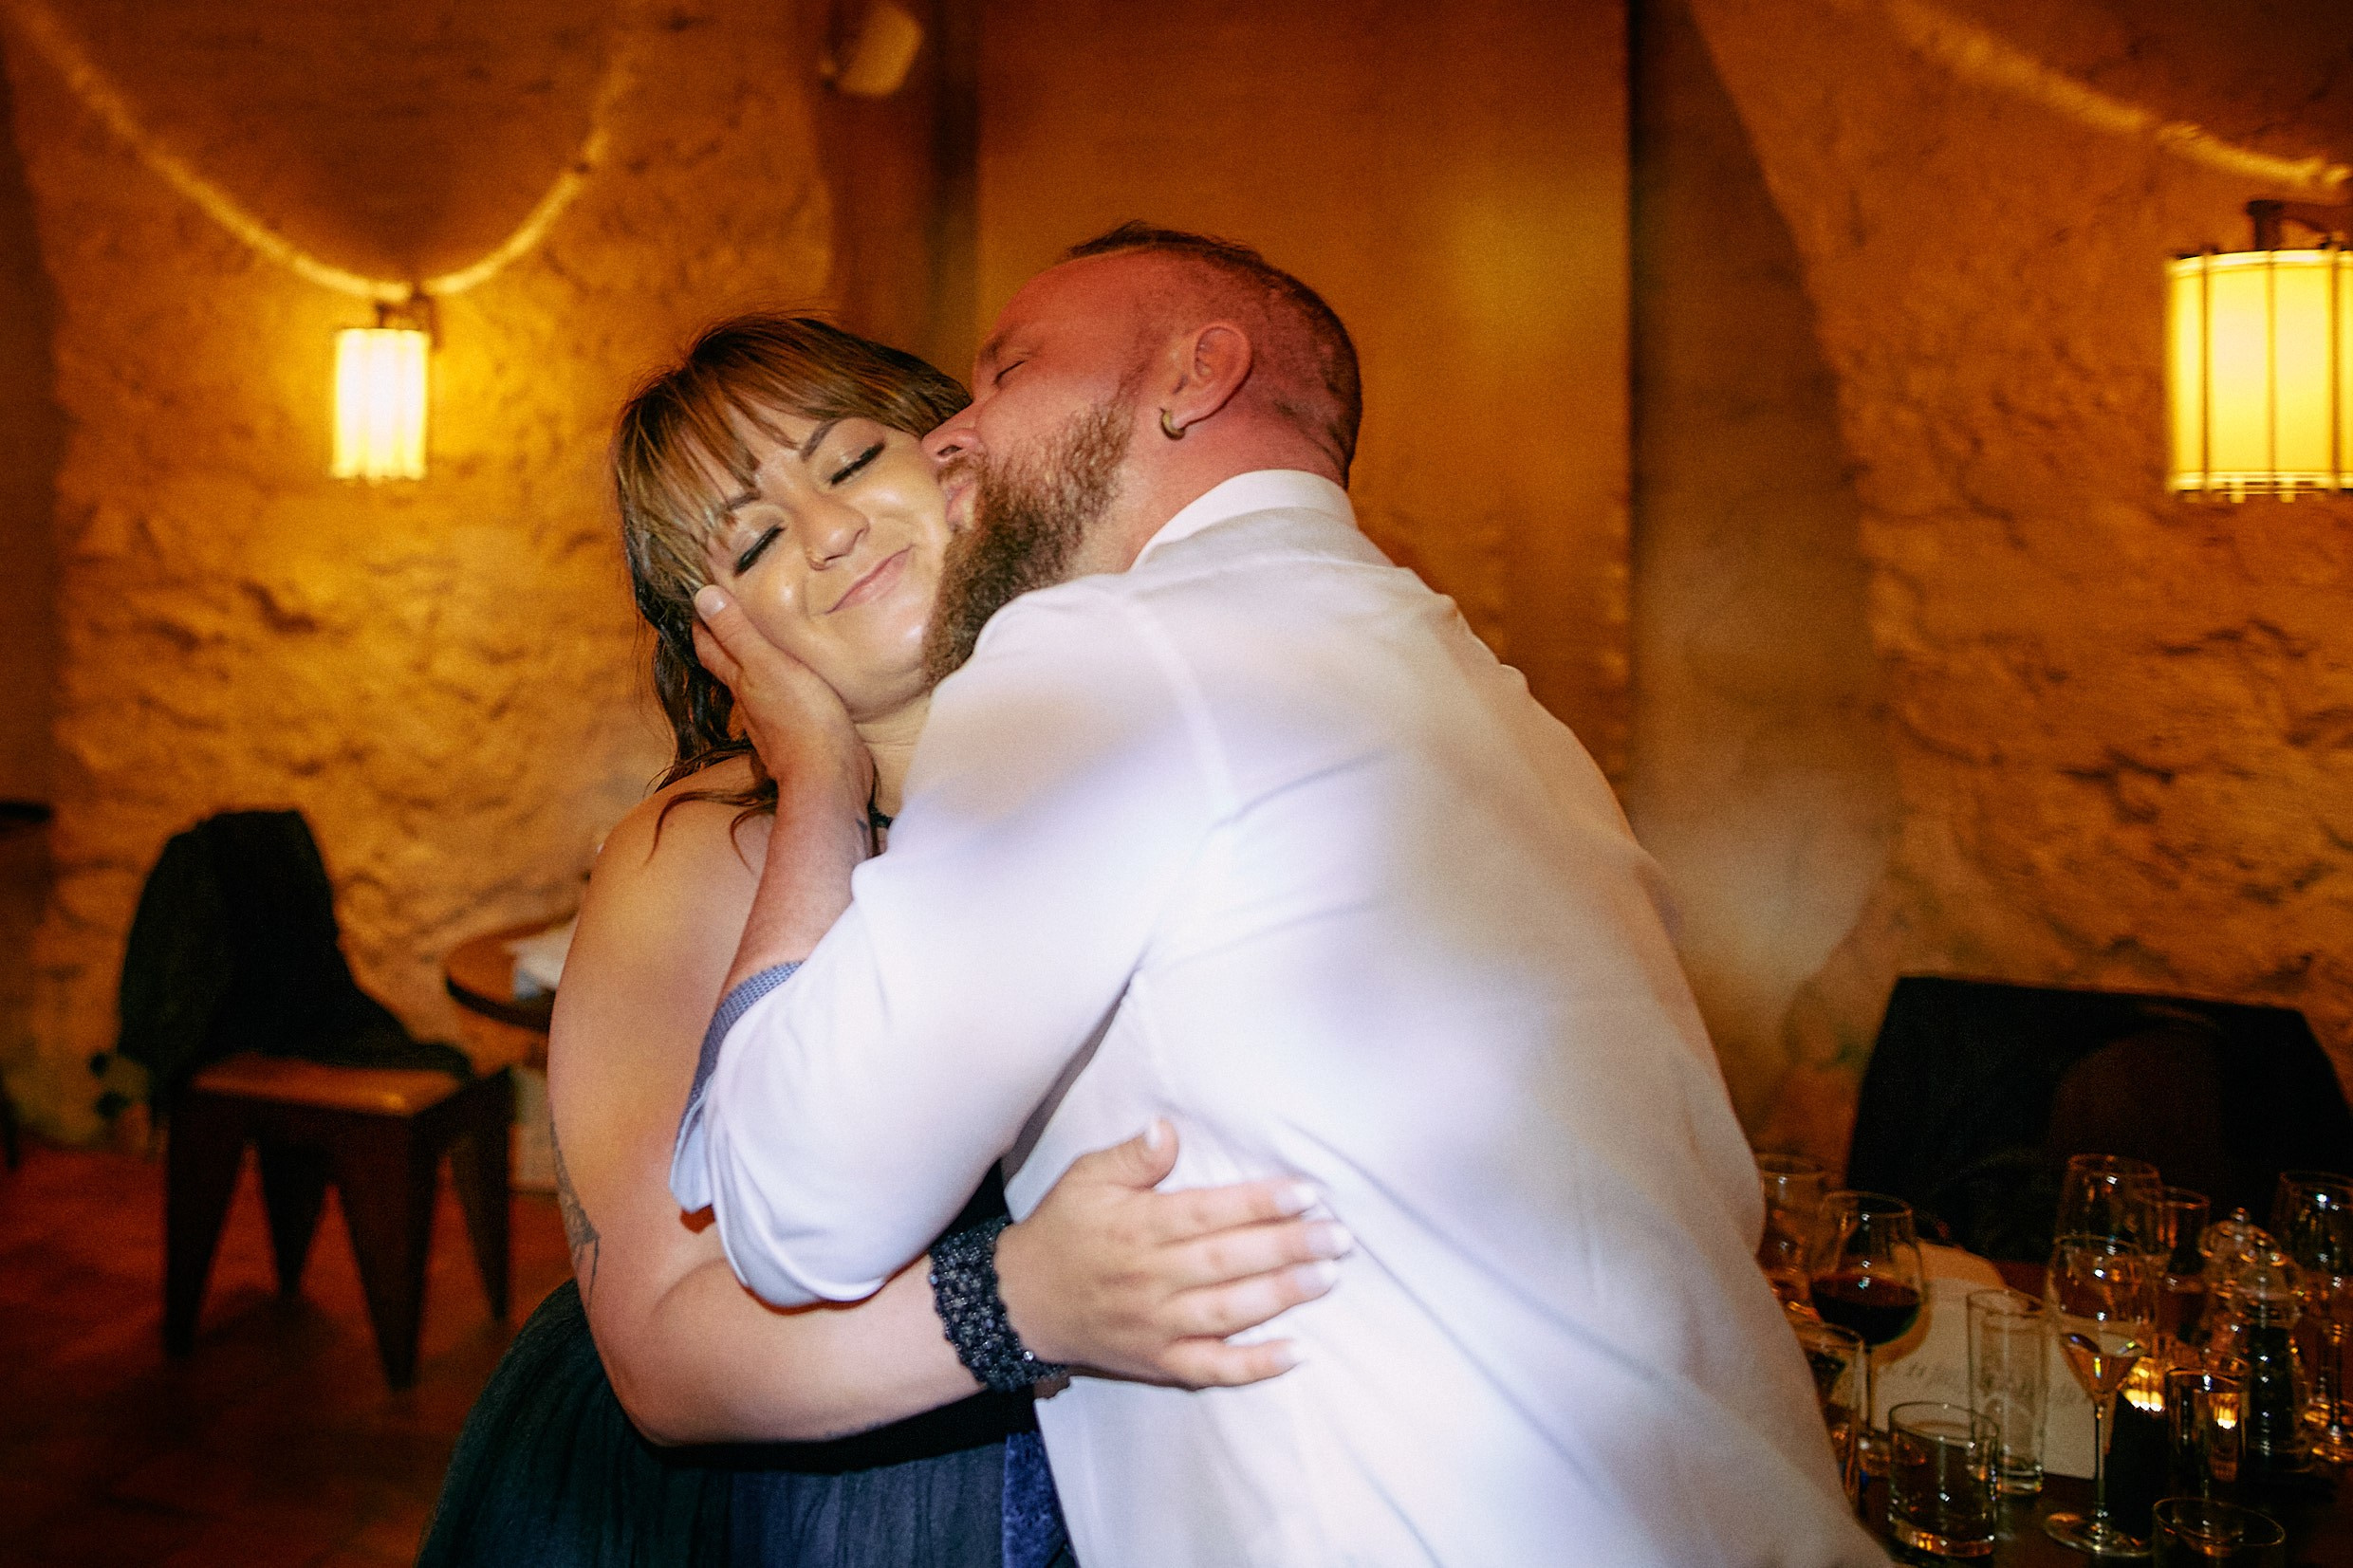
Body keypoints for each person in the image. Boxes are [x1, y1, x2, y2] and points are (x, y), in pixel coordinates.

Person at [678, 226, 1893, 1565]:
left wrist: (814, 778)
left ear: (1194, 379)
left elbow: (796, 1204)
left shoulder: (1104, 654)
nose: (952, 438)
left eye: (1007, 373)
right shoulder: (1506, 711)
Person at [418, 316, 1345, 1568]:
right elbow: (656, 1351)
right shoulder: (693, 855)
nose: (830, 529)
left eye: (850, 462)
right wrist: (1018, 1298)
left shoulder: (1136, 750)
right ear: (717, 639)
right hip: (770, 1516)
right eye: (750, 539)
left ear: (957, 460)